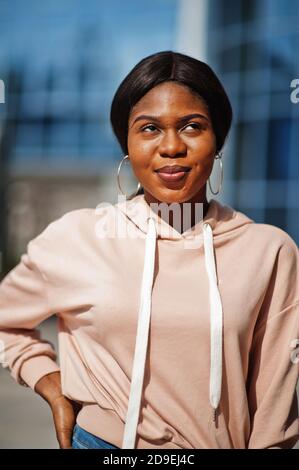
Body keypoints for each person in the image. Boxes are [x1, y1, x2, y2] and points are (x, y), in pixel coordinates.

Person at [0, 50, 298, 449]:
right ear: (127, 142)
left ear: (217, 141)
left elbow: (276, 401)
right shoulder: (78, 236)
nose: (171, 146)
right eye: (150, 129)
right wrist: (49, 382)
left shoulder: (269, 251)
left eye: (192, 126)